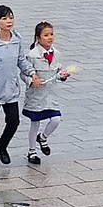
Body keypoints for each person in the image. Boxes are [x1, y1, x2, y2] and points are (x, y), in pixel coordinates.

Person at [0, 5, 41, 169]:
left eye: (11, 17)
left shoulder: (17, 39)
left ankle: (1, 145)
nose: (9, 21)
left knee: (13, 121)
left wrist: (32, 73)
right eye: (4, 18)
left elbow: (21, 60)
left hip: (11, 89)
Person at [22, 21, 69, 165]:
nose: (50, 38)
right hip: (36, 96)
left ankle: (43, 137)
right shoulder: (32, 55)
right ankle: (32, 151)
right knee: (35, 123)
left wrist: (63, 75)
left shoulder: (57, 54)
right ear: (38, 38)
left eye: (51, 34)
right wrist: (31, 80)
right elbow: (23, 73)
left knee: (56, 119)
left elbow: (58, 72)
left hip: (51, 95)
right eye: (46, 35)